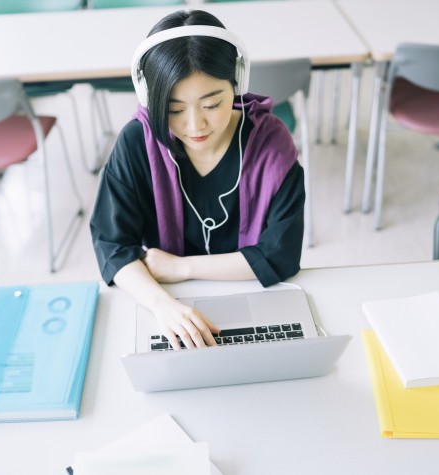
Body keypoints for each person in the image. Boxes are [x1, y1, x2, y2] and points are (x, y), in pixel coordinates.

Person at [90, 9, 305, 350]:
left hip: (253, 295)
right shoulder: (136, 142)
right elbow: (112, 245)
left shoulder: (271, 144)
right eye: (174, 110)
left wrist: (180, 267)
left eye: (212, 104)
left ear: (238, 81)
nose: (195, 126)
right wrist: (161, 305)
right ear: (150, 98)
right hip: (166, 299)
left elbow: (281, 255)